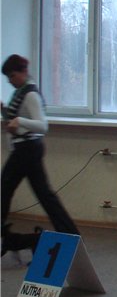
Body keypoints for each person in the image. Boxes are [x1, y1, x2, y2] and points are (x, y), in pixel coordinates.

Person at [2, 54, 79, 254]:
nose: (10, 81)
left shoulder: (30, 94)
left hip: (27, 150)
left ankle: (70, 234)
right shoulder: (20, 92)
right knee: (44, 194)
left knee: (5, 189)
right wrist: (4, 112)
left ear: (23, 72)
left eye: (12, 76)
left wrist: (20, 121)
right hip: (25, 149)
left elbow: (42, 125)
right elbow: (15, 123)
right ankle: (70, 234)